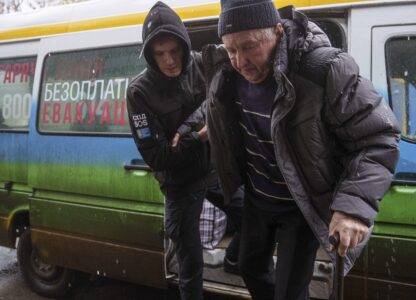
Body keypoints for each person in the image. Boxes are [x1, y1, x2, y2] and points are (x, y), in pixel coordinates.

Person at [202, 0, 401, 299]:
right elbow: (212, 104)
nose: (240, 61)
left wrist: (351, 208)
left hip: (300, 202)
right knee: (248, 267)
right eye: (231, 49)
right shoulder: (227, 74)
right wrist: (209, 124)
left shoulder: (324, 69)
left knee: (289, 292)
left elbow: (378, 137)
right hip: (257, 199)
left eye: (249, 47)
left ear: (277, 32)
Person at [126, 2, 243, 300]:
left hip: (214, 170)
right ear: (150, 55)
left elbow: (224, 96)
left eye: (174, 51)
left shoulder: (203, 63)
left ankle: (234, 260)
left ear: (183, 44)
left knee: (255, 215)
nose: (169, 60)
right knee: (190, 266)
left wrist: (185, 134)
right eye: (159, 54)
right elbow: (158, 157)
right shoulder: (139, 92)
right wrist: (201, 134)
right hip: (179, 185)